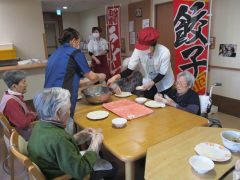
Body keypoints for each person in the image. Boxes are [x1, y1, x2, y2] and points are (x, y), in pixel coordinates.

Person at [28, 87, 118, 180]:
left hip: (54, 167)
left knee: (99, 155)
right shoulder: (59, 139)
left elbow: (56, 148)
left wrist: (77, 137)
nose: (70, 112)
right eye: (68, 109)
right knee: (114, 166)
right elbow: (81, 171)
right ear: (58, 113)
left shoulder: (40, 125)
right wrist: (95, 145)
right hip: (66, 176)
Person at [44, 27, 106, 119]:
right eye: (78, 42)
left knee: (53, 125)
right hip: (62, 99)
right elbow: (92, 77)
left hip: (47, 98)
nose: (79, 44)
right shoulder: (75, 53)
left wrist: (88, 82)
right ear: (73, 41)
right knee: (65, 126)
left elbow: (68, 79)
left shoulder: (55, 53)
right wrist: (101, 76)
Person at [107, 27, 174, 99]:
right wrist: (115, 77)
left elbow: (162, 73)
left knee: (163, 105)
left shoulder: (164, 52)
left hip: (164, 83)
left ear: (153, 44)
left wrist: (151, 83)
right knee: (148, 102)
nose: (143, 50)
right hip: (148, 81)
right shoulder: (138, 49)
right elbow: (129, 70)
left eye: (146, 47)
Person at [0, 70, 37, 140]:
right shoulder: (11, 102)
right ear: (14, 86)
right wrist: (32, 115)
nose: (26, 84)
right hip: (21, 136)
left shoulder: (9, 94)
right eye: (24, 82)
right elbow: (23, 124)